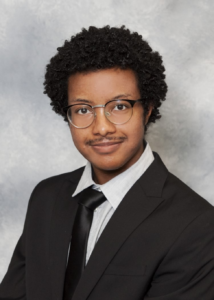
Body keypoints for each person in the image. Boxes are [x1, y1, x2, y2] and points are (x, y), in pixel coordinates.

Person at [0, 25, 214, 300]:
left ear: (147, 110)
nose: (101, 128)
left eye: (120, 106)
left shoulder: (196, 225)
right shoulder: (46, 197)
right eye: (83, 110)